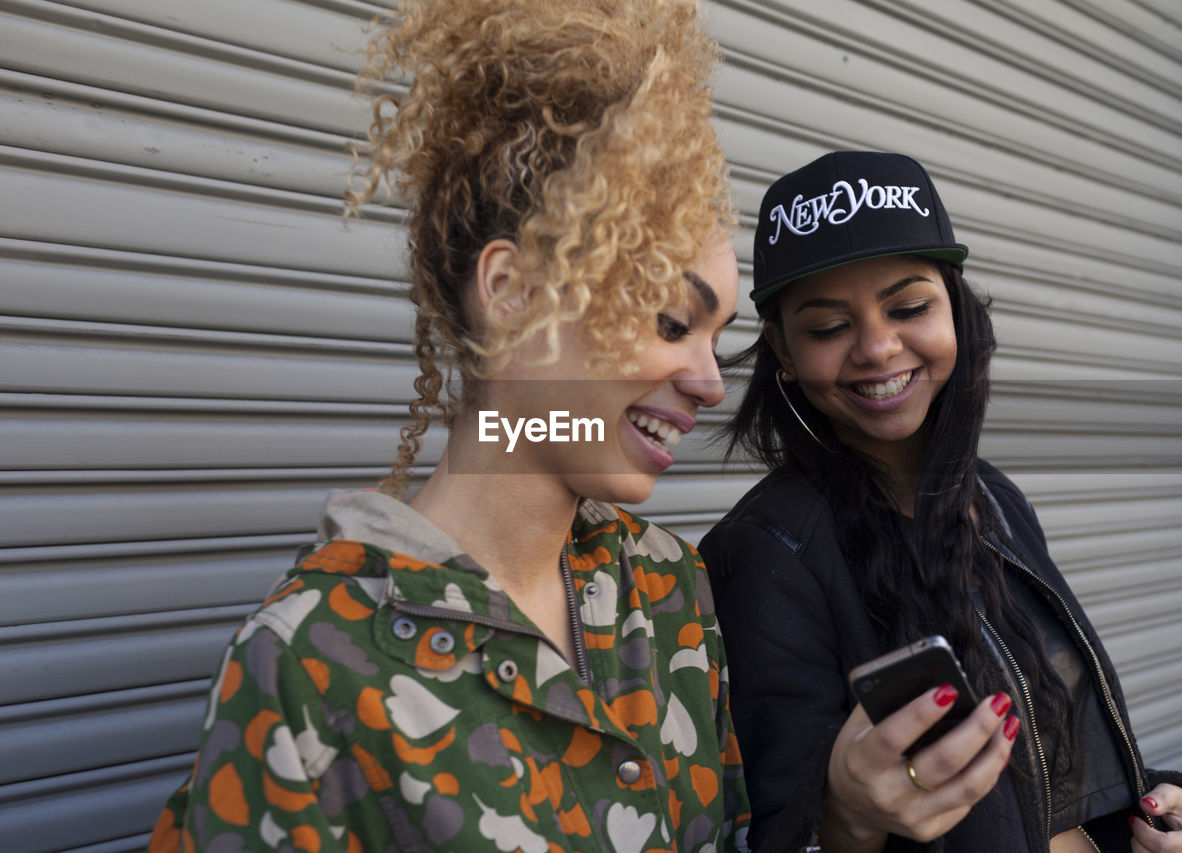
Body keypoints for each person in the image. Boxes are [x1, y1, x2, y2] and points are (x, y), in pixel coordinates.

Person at [148, 1, 751, 849]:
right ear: (509, 293)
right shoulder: (311, 660)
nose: (711, 381)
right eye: (670, 321)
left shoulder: (667, 590)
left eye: (722, 336)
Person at [699, 150, 1182, 853]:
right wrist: (849, 814)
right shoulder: (766, 551)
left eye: (908, 306)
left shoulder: (996, 497)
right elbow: (780, 831)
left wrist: (1178, 814)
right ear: (781, 348)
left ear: (955, 306)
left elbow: (1044, 779)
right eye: (829, 327)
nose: (877, 346)